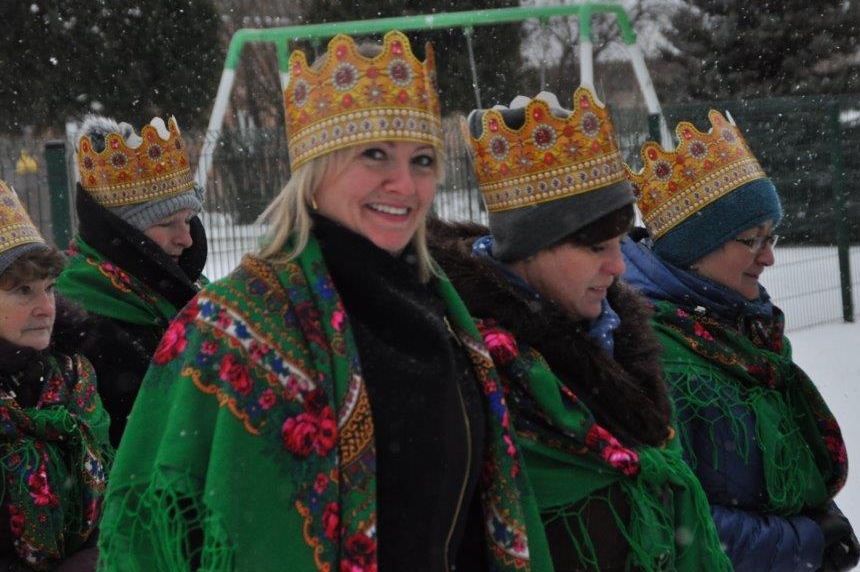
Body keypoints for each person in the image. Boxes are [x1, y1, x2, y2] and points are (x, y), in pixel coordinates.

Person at [98, 31, 545, 571]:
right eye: (374, 155)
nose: (405, 184)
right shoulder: (226, 324)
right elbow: (149, 526)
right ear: (314, 173)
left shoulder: (443, 312)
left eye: (423, 160)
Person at [429, 88, 732, 571]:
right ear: (529, 247)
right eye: (596, 248)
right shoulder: (472, 362)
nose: (619, 266)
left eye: (619, 243)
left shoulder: (618, 334)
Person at [621, 109, 860, 572]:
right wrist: (802, 541)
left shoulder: (745, 329)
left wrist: (818, 519)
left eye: (771, 237)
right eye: (752, 240)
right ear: (693, 250)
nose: (769, 257)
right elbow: (673, 518)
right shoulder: (659, 357)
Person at [55, 116, 207, 446]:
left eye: (188, 221)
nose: (186, 239)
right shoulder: (80, 318)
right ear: (123, 234)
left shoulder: (194, 294)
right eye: (167, 224)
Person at [0, 180, 113, 571]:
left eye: (48, 288)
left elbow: (111, 502)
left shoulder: (72, 375)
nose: (45, 307)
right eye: (23, 291)